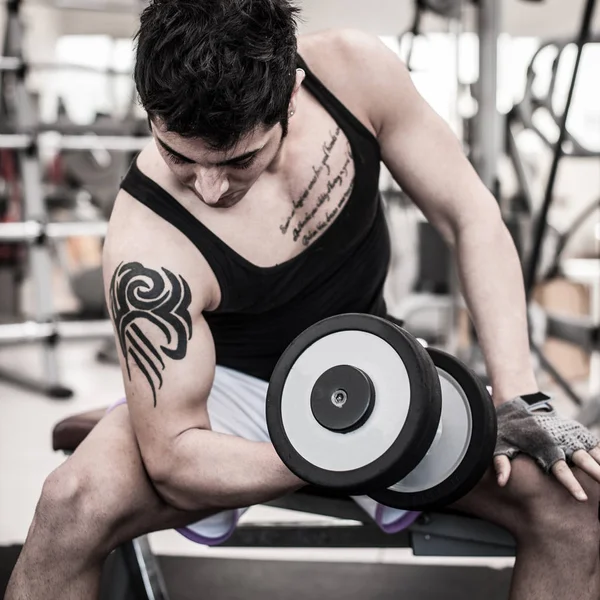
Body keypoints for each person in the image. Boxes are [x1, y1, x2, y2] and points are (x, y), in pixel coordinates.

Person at [6, 1, 600, 599]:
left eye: (239, 159)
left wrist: (520, 393)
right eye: (178, 155)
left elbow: (468, 215)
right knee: (68, 507)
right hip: (227, 388)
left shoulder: (354, 76)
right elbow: (176, 459)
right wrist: (340, 448)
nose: (209, 188)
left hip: (376, 367)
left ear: (291, 94)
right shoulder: (147, 243)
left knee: (573, 504)